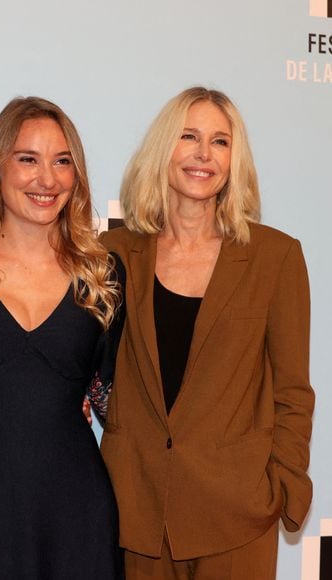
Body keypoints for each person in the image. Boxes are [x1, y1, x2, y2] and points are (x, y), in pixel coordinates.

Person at [100, 87, 314, 579]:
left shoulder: (274, 257)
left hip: (237, 515)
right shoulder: (114, 253)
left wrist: (277, 485)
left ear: (234, 160)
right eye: (189, 136)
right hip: (137, 511)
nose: (203, 154)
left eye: (220, 142)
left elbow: (292, 392)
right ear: (162, 149)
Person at [0, 96, 123, 579]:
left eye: (62, 162)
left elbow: (111, 398)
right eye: (28, 159)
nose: (47, 179)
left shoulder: (103, 276)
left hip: (76, 515)